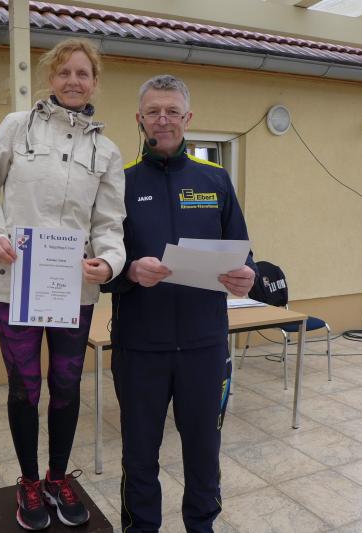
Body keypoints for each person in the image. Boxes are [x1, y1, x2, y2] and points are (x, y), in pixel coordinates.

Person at [0, 39, 126, 531]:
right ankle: (30, 482)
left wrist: (109, 262)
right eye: (64, 72)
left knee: (67, 386)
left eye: (83, 73)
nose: (73, 81)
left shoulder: (106, 151)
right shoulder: (17, 127)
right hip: (14, 285)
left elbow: (109, 224)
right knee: (25, 388)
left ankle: (58, 477)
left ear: (94, 82)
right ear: (50, 78)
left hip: (72, 290)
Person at [103, 75, 256, 533]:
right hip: (139, 346)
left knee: (204, 452)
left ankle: (202, 526)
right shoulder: (120, 182)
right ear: (140, 119)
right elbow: (101, 262)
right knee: (139, 454)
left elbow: (242, 252)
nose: (163, 119)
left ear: (188, 118)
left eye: (172, 111)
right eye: (153, 111)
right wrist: (130, 270)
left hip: (204, 345)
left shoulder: (215, 180)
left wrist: (246, 275)